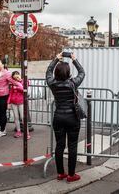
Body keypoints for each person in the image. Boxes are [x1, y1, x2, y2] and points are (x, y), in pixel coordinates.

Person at [46, 52, 85, 183]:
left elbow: (48, 70)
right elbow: (82, 72)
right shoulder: (73, 83)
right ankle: (71, 175)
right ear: (68, 73)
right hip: (72, 117)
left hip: (58, 117)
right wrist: (74, 59)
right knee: (72, 146)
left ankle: (61, 173)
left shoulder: (52, 83)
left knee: (59, 146)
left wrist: (56, 58)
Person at [7, 71, 30, 139]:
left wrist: (17, 86)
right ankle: (18, 131)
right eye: (14, 76)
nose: (16, 77)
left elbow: (24, 89)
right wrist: (8, 103)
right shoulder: (13, 83)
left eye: (17, 75)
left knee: (23, 118)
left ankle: (27, 133)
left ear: (19, 75)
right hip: (14, 102)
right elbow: (10, 94)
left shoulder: (24, 81)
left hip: (21, 102)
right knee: (16, 117)